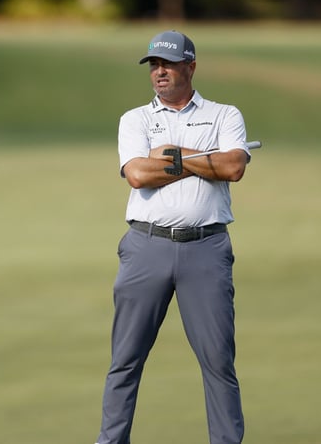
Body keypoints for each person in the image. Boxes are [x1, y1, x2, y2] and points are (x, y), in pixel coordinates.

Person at [96, 30, 249, 444]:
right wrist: (203, 159)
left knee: (218, 360)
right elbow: (138, 174)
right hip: (147, 246)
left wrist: (174, 156)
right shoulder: (136, 119)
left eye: (168, 64)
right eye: (154, 65)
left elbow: (234, 165)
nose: (160, 72)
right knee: (125, 359)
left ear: (191, 66)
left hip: (207, 247)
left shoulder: (224, 114)